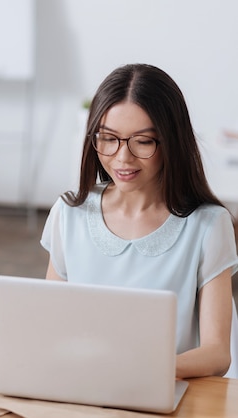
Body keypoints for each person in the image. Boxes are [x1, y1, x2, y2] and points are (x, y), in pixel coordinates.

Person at [40, 63, 238, 379]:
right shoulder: (70, 213)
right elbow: (51, 323)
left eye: (143, 142)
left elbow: (217, 355)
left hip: (163, 394)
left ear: (171, 141)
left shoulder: (209, 225)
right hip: (78, 387)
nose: (122, 158)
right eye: (108, 138)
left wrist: (144, 372)